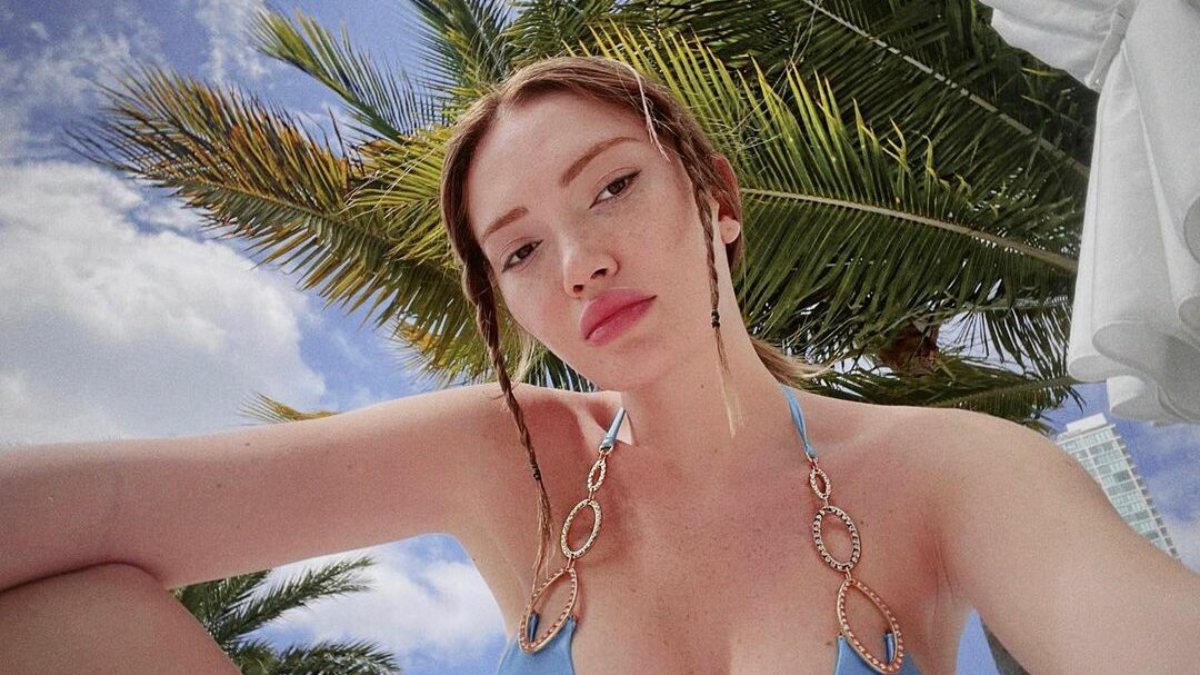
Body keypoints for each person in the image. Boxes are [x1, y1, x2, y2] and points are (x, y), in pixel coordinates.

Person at [1, 55, 1197, 675]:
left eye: (613, 186)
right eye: (520, 250)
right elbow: (84, 512)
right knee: (73, 622)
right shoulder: (505, 455)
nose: (580, 263)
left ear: (716, 198)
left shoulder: (945, 472)